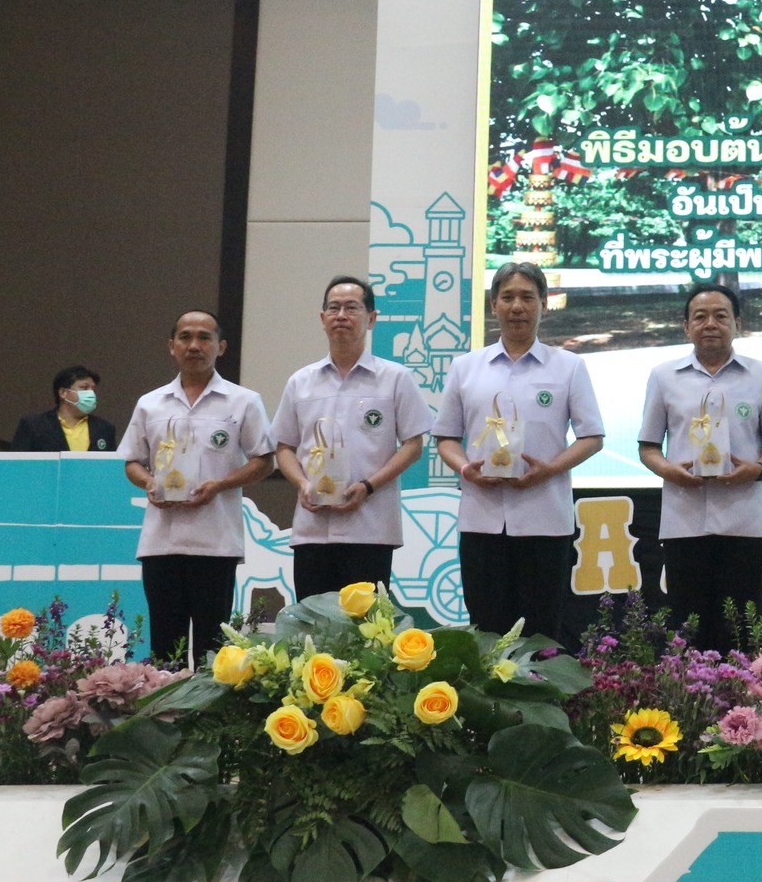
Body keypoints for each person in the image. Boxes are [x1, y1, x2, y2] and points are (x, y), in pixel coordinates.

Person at [433, 262, 604, 641]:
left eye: (527, 297)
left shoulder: (569, 367)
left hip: (545, 520)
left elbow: (592, 437)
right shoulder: (465, 368)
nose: (517, 307)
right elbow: (445, 437)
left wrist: (549, 469)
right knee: (487, 630)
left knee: (540, 633)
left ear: (544, 303)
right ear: (493, 304)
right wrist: (466, 470)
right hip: (481, 521)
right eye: (507, 297)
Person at [639, 283, 762, 652]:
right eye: (700, 316)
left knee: (738, 625)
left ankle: (741, 703)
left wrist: (755, 469)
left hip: (743, 521)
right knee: (689, 624)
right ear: (685, 326)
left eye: (721, 316)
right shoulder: (664, 376)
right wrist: (669, 470)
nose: (711, 324)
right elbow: (648, 447)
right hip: (683, 520)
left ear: (737, 323)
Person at [118, 310, 275, 663]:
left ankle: (207, 721)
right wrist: (150, 483)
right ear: (171, 346)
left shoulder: (243, 401)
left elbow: (265, 460)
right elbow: (132, 461)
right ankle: (164, 717)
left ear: (221, 347)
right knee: (164, 649)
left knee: (212, 650)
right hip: (161, 542)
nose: (194, 345)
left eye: (204, 337)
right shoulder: (150, 403)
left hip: (215, 543)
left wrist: (220, 484)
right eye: (185, 337)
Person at [271, 276, 434, 600]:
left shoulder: (395, 378)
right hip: (312, 529)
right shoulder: (301, 381)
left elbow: (414, 445)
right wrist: (303, 485)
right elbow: (284, 447)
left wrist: (369, 486)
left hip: (371, 528)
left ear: (371, 318)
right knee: (313, 632)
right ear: (322, 318)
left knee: (365, 633)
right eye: (333, 308)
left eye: (351, 308)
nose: (341, 315)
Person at [12, 365, 118, 451]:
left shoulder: (105, 429)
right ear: (63, 393)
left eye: (92, 389)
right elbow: (17, 466)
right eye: (84, 388)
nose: (91, 393)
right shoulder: (33, 425)